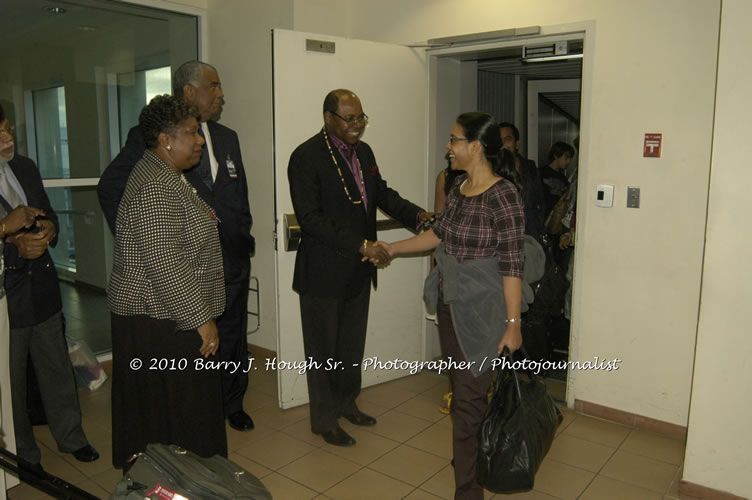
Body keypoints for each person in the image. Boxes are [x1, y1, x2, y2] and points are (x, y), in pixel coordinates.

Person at [98, 60, 255, 432]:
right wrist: (138, 243)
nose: (221, 94)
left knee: (231, 337)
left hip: (226, 259)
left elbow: (238, 193)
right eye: (213, 86)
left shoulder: (226, 136)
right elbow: (114, 190)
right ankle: (205, 411)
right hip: (176, 281)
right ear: (189, 91)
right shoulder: (151, 143)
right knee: (193, 360)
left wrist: (243, 232)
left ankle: (232, 402)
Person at [377, 112, 525, 499]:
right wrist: (392, 247)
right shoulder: (458, 188)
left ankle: (468, 489)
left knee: (469, 401)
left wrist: (513, 323)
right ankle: (468, 466)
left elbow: (512, 264)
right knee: (464, 398)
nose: (449, 146)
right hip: (451, 305)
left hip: (484, 311)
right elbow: (437, 236)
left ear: (476, 146)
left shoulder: (504, 194)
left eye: (454, 139)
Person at [287, 89, 431, 447]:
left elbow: (381, 194)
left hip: (359, 268)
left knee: (350, 345)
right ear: (328, 118)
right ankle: (323, 420)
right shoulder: (306, 157)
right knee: (323, 351)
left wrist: (417, 215)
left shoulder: (363, 152)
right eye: (349, 118)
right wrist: (361, 244)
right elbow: (311, 219)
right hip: (322, 270)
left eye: (361, 118)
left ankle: (347, 403)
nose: (357, 125)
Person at [107, 95, 226, 468]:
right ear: (165, 140)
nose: (200, 141)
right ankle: (174, 481)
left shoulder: (164, 174)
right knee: (174, 414)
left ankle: (174, 478)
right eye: (191, 133)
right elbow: (165, 263)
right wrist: (201, 320)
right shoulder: (157, 185)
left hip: (161, 317)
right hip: (159, 322)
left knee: (167, 412)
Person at [0, 105, 99, 476]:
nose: (8, 138)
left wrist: (49, 232)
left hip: (42, 289)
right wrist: (9, 235)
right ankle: (24, 456)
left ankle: (72, 437)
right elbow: (7, 227)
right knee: (11, 382)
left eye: (8, 130)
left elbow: (48, 215)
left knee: (57, 368)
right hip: (6, 299)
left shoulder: (25, 167)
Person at [499, 122, 546, 240]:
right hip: (502, 235)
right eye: (499, 140)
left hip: (529, 235)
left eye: (507, 139)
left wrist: (537, 228)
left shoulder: (530, 167)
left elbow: (539, 201)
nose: (503, 144)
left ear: (517, 144)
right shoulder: (490, 170)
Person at [540, 141, 574, 215]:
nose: (569, 161)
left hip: (555, 218)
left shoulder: (564, 179)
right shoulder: (540, 173)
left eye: (570, 158)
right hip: (541, 217)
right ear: (556, 155)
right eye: (566, 157)